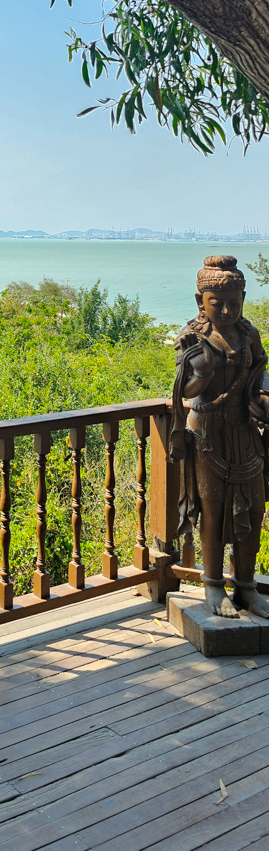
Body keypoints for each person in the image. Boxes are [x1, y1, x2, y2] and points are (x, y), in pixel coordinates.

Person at [170, 254, 269, 618]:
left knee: (253, 508)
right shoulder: (192, 337)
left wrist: (265, 398)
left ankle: (246, 586)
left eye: (234, 303)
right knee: (212, 510)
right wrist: (204, 372)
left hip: (244, 430)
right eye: (217, 304)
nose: (226, 311)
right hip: (207, 432)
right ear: (201, 302)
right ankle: (213, 585)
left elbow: (261, 374)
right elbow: (184, 390)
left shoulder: (248, 333)